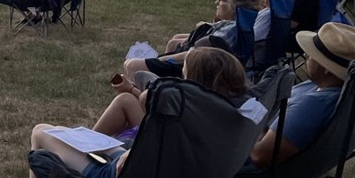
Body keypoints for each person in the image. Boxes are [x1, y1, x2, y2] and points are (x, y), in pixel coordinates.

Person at [10, 48, 249, 178]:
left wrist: (126, 156)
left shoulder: (178, 122)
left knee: (41, 132)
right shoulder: (223, 123)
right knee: (77, 138)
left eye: (183, 77)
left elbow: (147, 106)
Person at [249, 22, 355, 168]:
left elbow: (260, 156)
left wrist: (252, 123)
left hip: (237, 157)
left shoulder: (315, 106)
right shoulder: (331, 90)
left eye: (312, 54)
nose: (306, 55)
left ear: (327, 69)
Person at [95, 47, 250, 145]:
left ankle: (87, 144)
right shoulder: (223, 105)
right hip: (189, 151)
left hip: (167, 146)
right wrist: (131, 89)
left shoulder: (188, 106)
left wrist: (131, 89)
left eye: (184, 70)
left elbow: (151, 104)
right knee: (127, 99)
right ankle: (89, 140)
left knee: (124, 100)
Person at [124, 0, 260, 79]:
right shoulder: (235, 24)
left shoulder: (231, 30)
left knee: (132, 65)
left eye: (222, 0)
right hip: (195, 66)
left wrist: (162, 59)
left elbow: (195, 54)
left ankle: (138, 101)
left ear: (235, 5)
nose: (217, 3)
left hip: (193, 70)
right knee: (139, 62)